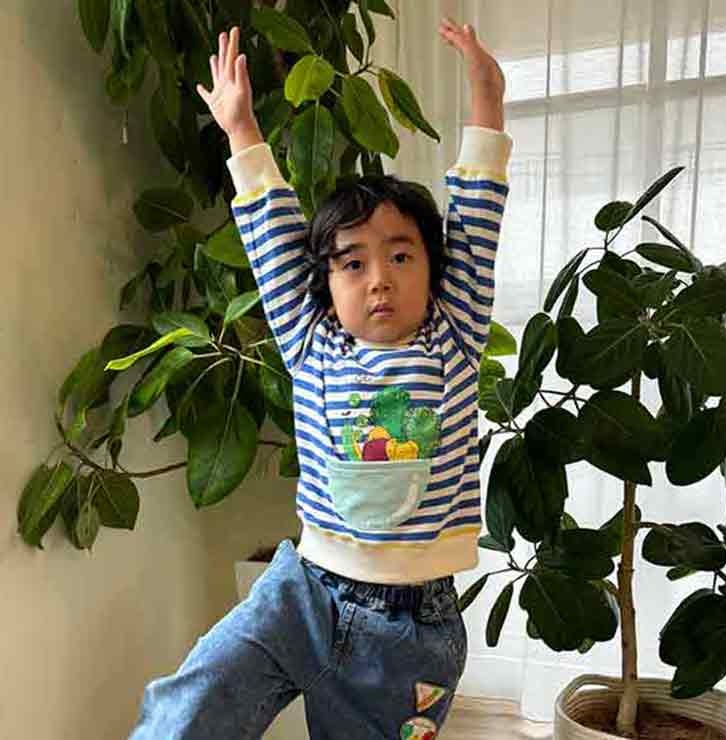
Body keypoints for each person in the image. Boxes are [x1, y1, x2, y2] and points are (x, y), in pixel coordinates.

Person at [129, 15, 512, 740]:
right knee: (187, 708)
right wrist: (241, 130)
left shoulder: (454, 336)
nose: (379, 279)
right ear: (327, 284)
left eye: (401, 256)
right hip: (302, 594)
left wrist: (486, 102)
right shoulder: (311, 342)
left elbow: (478, 214)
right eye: (353, 262)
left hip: (412, 629)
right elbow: (271, 232)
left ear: (436, 272)